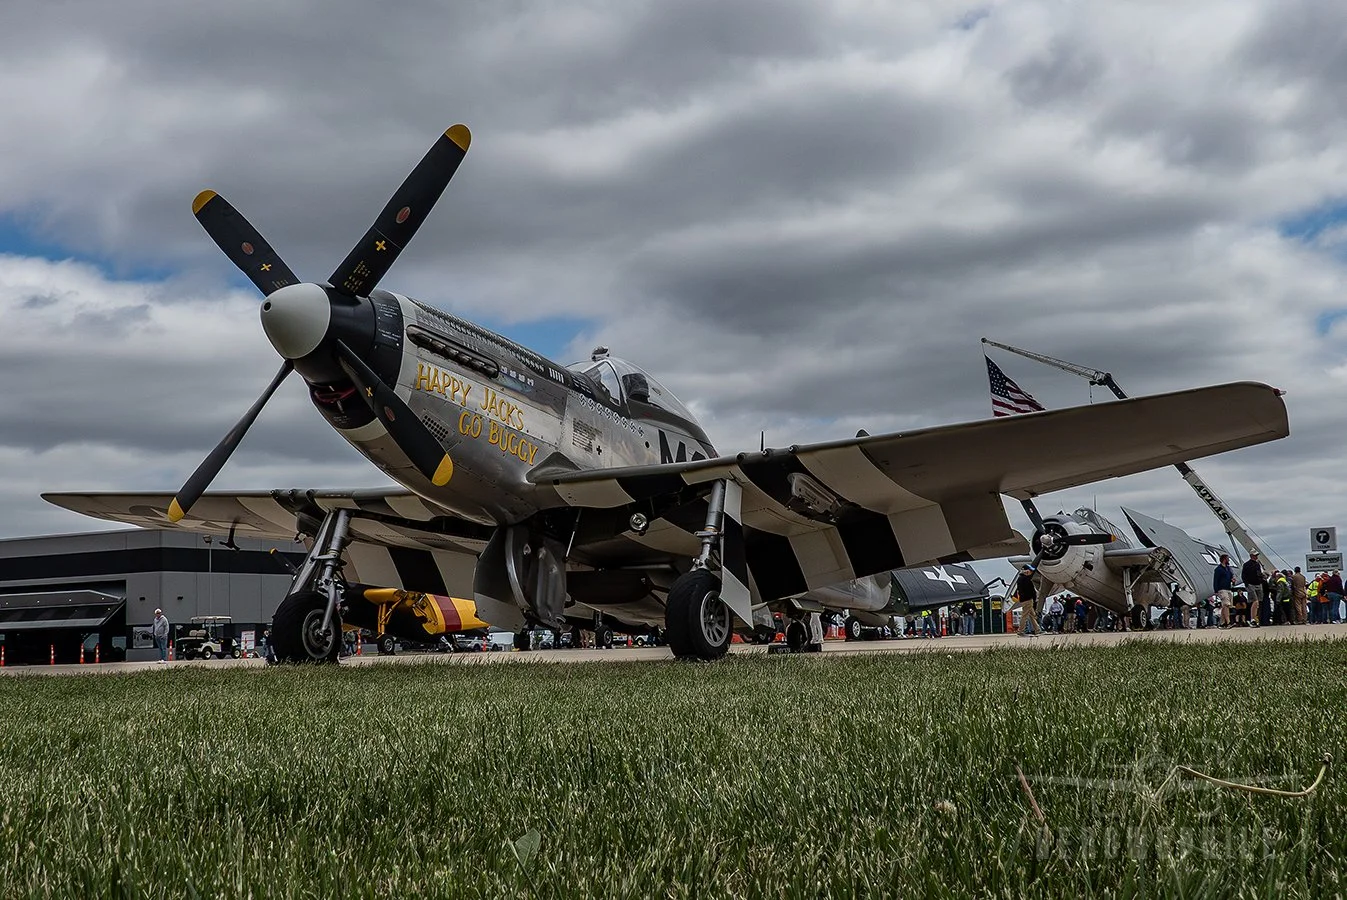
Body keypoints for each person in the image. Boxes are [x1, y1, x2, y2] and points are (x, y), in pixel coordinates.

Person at [1241, 552, 1266, 628]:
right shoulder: (1246, 565)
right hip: (1251, 584)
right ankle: (1252, 619)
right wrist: (1247, 584)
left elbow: (1258, 573)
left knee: (1259, 601)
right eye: (1255, 555)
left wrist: (1261, 579)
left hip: (1258, 584)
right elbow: (1243, 575)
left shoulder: (1257, 565)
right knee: (1255, 601)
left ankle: (1256, 618)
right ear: (1252, 556)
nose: (1256, 557)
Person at [1213, 554, 1236, 627]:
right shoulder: (1218, 569)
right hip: (1222, 589)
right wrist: (1216, 590)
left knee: (1226, 606)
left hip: (1228, 588)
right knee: (1226, 604)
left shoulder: (1229, 569)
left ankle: (1222, 622)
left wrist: (1233, 580)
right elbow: (1215, 580)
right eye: (1227, 559)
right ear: (1224, 559)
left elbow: (1231, 577)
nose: (1229, 560)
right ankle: (1228, 622)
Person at [1016, 565, 1039, 636]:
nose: (1031, 572)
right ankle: (1021, 631)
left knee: (1032, 615)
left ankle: (1037, 629)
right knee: (1025, 615)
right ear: (1026, 571)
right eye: (1030, 570)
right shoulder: (1026, 579)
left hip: (1024, 599)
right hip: (1028, 599)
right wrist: (1034, 598)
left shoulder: (1020, 579)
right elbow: (1031, 590)